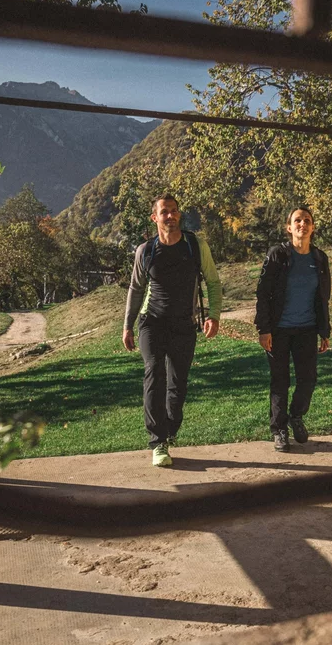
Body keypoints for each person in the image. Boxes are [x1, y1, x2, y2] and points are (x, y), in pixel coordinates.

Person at [123, 195, 222, 467]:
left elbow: (213, 282)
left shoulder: (195, 246)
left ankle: (170, 429)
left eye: (174, 211)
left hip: (184, 324)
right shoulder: (146, 250)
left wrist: (213, 316)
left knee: (178, 383)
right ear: (155, 218)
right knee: (154, 371)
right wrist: (127, 325)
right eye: (164, 212)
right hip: (151, 322)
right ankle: (158, 441)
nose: (171, 216)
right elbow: (135, 289)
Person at [254, 207, 331, 452]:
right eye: (297, 220)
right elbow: (263, 294)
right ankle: (279, 430)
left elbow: (323, 298)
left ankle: (296, 416)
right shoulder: (278, 255)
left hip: (307, 329)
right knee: (280, 381)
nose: (303, 224)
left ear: (313, 227)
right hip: (278, 331)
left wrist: (324, 330)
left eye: (307, 221)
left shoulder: (319, 258)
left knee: (308, 379)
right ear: (289, 227)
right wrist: (264, 329)